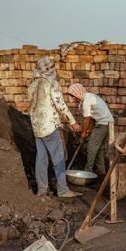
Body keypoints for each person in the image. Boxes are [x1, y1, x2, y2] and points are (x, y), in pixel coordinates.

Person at [28, 56, 82, 198]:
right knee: (58, 157)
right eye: (51, 67)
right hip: (49, 126)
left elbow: (31, 105)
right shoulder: (51, 83)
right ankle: (63, 190)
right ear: (47, 69)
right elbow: (60, 105)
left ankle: (42, 190)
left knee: (41, 158)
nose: (54, 69)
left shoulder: (33, 84)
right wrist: (72, 121)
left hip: (37, 127)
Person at [66, 83, 114, 175]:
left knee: (91, 146)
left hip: (103, 124)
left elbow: (86, 119)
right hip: (106, 123)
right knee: (99, 148)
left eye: (73, 96)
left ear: (77, 93)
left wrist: (83, 135)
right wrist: (88, 131)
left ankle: (88, 171)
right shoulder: (89, 97)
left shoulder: (87, 100)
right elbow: (92, 118)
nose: (73, 99)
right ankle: (101, 171)